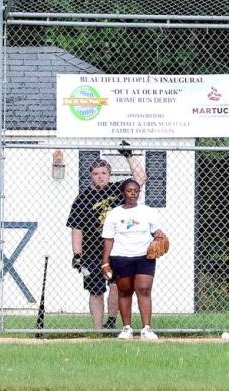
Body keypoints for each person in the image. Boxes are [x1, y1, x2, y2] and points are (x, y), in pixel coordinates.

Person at [66, 143, 147, 329]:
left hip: (117, 249)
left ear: (109, 174)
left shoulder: (118, 190)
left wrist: (129, 155)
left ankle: (111, 322)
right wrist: (77, 254)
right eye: (96, 173)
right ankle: (97, 329)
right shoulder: (82, 198)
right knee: (95, 291)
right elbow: (76, 228)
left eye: (103, 173)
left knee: (117, 287)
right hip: (92, 251)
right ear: (91, 176)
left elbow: (140, 178)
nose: (100, 176)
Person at [100, 179, 166, 340]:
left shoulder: (148, 211)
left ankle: (146, 329)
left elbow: (156, 230)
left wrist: (159, 235)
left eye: (136, 190)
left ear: (139, 193)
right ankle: (127, 328)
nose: (133, 193)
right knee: (124, 291)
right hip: (121, 256)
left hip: (144, 256)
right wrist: (105, 263)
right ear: (123, 192)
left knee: (144, 289)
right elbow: (108, 239)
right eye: (129, 190)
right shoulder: (114, 213)